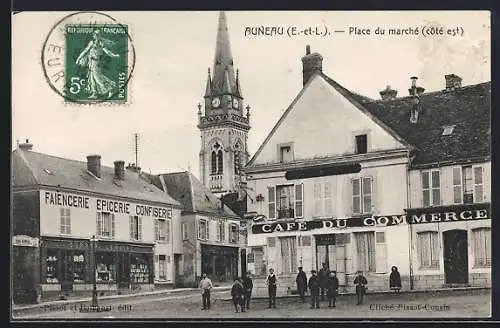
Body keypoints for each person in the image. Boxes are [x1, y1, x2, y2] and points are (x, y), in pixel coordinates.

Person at [75, 29, 120, 99]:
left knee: (98, 78)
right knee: (91, 78)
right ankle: (94, 93)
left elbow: (107, 52)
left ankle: (110, 89)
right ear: (93, 36)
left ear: (99, 36)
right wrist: (79, 58)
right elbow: (85, 51)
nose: (96, 36)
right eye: (95, 35)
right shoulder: (92, 43)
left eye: (97, 35)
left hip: (96, 62)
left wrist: (114, 55)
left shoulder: (101, 43)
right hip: (90, 62)